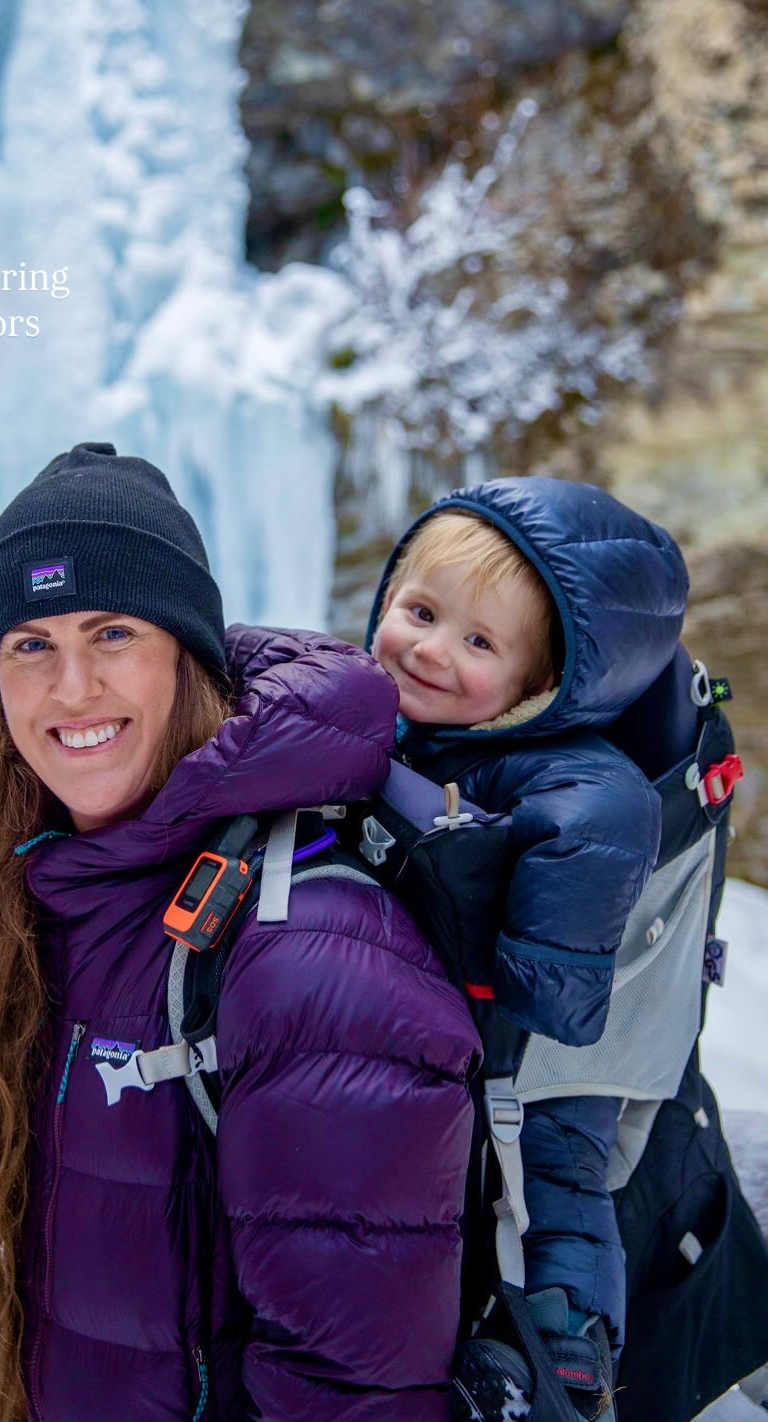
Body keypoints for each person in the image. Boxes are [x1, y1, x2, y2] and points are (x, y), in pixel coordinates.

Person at [0, 441, 480, 1422]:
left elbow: (352, 1394)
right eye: (30, 644)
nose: (70, 687)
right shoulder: (47, 893)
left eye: (112, 631)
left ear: (187, 654)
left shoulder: (308, 953)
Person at [366, 475, 688, 1420]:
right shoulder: (414, 719)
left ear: (538, 686)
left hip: (552, 1046)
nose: (430, 649)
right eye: (419, 612)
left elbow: (606, 820)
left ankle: (567, 1351)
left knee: (554, 1173)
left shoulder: (555, 761)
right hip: (466, 1019)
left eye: (478, 643)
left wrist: (540, 985)